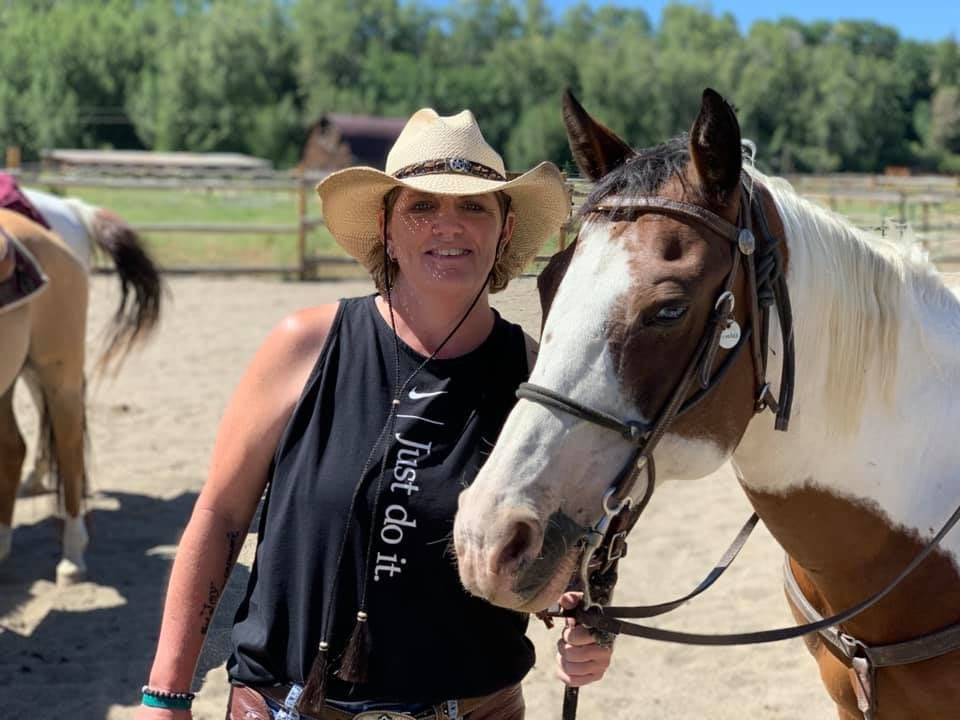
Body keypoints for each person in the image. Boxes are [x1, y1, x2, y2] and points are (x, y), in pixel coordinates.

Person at [136, 108, 613, 720]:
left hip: (470, 708)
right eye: (422, 206)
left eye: (474, 207)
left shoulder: (534, 378)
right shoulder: (303, 347)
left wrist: (582, 626)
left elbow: (556, 555)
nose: (449, 225)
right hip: (288, 707)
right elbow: (221, 516)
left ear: (505, 228)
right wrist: (166, 693)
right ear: (387, 227)